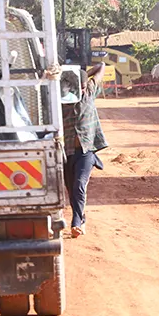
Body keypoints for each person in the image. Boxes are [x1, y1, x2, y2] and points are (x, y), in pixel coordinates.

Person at [62, 64, 107, 238]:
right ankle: (81, 217)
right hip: (66, 152)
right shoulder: (61, 99)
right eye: (78, 87)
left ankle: (76, 222)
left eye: (83, 86)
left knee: (79, 185)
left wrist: (83, 75)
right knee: (71, 189)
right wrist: (73, 79)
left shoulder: (89, 92)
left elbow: (101, 67)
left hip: (85, 151)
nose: (81, 90)